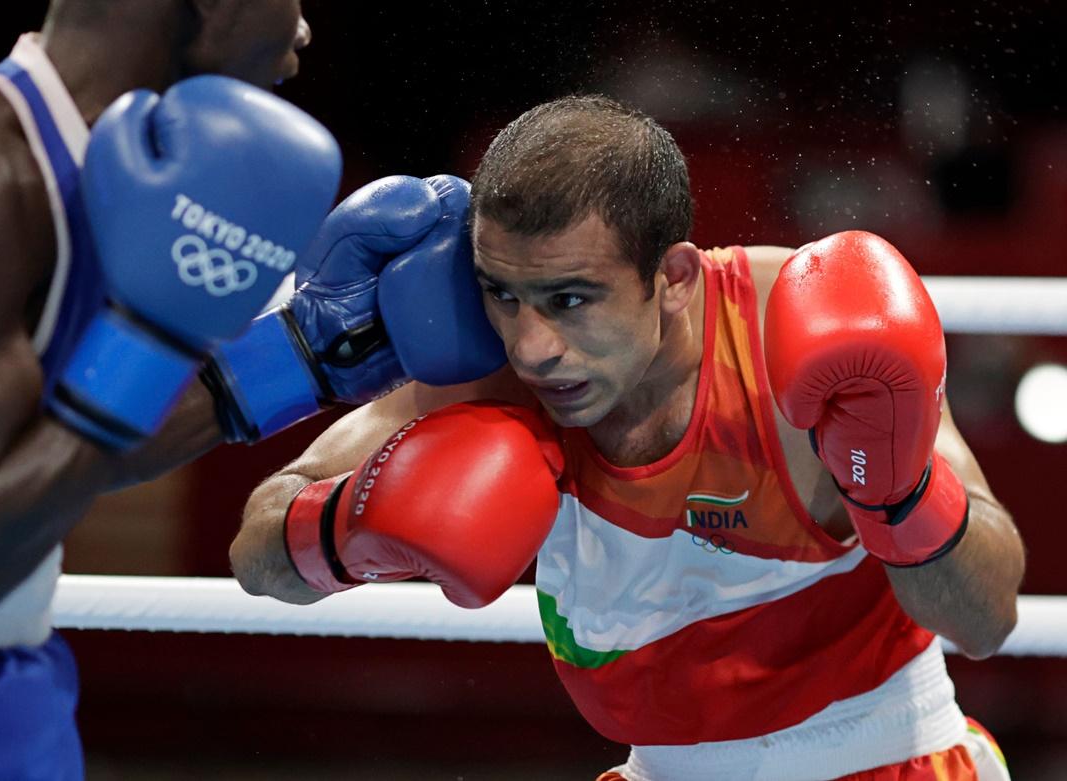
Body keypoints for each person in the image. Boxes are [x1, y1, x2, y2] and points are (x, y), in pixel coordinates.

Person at [230, 95, 1025, 780]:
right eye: (502, 293)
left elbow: (986, 619)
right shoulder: (494, 370)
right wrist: (344, 528)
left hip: (892, 761)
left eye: (571, 299)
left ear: (674, 277)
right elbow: (258, 544)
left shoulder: (796, 331)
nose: (533, 343)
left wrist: (903, 491)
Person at [0, 1, 500, 777]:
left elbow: (61, 449)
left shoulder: (106, 172)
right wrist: (158, 332)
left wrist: (305, 354)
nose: (303, 30)